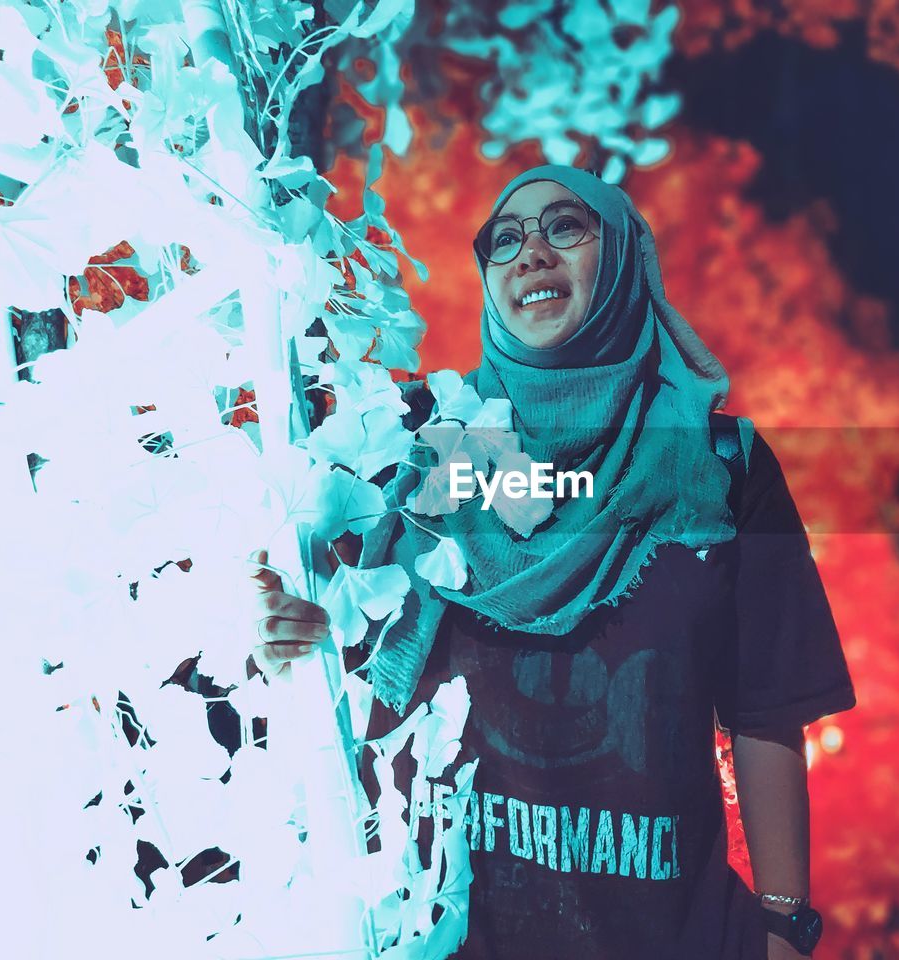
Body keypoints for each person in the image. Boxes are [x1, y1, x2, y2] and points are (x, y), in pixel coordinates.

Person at [249, 166, 856, 959]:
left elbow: (767, 707)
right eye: (505, 240)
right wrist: (290, 634)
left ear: (626, 257)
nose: (530, 253)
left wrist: (784, 927)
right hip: (446, 934)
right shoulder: (418, 446)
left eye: (565, 227)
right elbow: (341, 641)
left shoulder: (718, 462)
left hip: (672, 936)